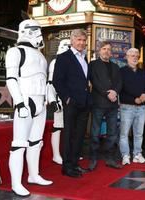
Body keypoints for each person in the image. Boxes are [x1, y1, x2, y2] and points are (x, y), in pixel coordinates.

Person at [5, 19, 52, 196]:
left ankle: (33, 175)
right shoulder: (15, 51)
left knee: (36, 143)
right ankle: (16, 183)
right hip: (26, 101)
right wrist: (19, 102)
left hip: (40, 102)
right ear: (25, 31)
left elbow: (45, 81)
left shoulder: (40, 55)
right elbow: (11, 79)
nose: (38, 33)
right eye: (34, 30)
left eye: (39, 30)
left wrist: (49, 98)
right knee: (19, 144)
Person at [53, 29, 91, 178]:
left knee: (80, 135)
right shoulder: (63, 57)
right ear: (72, 41)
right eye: (79, 40)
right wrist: (66, 98)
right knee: (69, 135)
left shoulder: (84, 57)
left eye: (83, 40)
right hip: (71, 103)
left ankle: (75, 164)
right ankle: (67, 167)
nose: (81, 43)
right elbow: (57, 80)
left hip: (84, 103)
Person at [88, 41, 122, 170]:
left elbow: (119, 82)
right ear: (99, 51)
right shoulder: (93, 65)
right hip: (98, 103)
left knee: (112, 133)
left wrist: (115, 92)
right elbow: (94, 81)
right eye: (104, 49)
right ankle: (93, 159)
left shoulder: (116, 66)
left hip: (112, 105)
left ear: (111, 52)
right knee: (95, 133)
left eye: (108, 49)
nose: (106, 51)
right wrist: (106, 93)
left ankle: (110, 159)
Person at [119, 48, 145, 165]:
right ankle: (125, 155)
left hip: (141, 107)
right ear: (126, 57)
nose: (135, 58)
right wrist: (134, 99)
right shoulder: (121, 72)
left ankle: (137, 154)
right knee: (124, 134)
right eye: (132, 55)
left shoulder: (142, 72)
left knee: (139, 134)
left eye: (136, 56)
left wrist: (144, 94)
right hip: (127, 107)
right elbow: (122, 89)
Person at [47, 39, 71, 165]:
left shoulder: (72, 61)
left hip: (70, 99)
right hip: (60, 99)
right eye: (66, 46)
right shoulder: (55, 62)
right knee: (57, 127)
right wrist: (53, 100)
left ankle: (70, 154)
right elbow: (51, 84)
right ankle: (56, 155)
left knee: (69, 127)